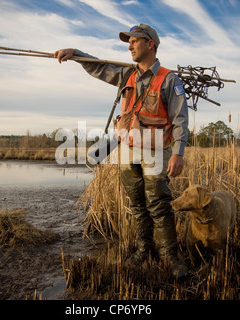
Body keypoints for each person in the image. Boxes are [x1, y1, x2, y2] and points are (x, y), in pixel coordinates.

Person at [55, 23, 189, 279]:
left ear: (150, 44)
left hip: (156, 151)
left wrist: (178, 153)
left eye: (134, 40)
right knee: (138, 204)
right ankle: (144, 249)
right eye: (128, 41)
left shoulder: (170, 79)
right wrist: (75, 53)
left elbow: (180, 118)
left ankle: (171, 258)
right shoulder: (126, 74)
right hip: (128, 150)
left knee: (159, 204)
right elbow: (100, 67)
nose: (129, 45)